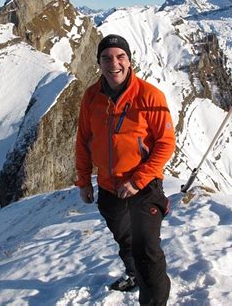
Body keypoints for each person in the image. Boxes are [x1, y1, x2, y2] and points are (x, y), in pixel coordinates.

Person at [75, 34, 175, 305]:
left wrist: (138, 179)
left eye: (120, 57)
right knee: (126, 240)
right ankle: (133, 275)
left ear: (130, 61)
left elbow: (166, 144)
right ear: (98, 63)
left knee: (147, 251)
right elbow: (83, 139)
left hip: (144, 187)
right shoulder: (91, 96)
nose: (113, 63)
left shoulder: (149, 95)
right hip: (109, 187)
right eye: (106, 58)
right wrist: (84, 181)